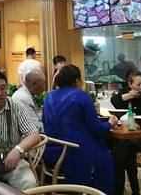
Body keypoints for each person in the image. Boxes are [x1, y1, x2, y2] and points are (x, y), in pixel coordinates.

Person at [44, 65, 118, 195]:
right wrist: (110, 123)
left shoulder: (48, 96)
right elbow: (96, 128)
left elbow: (46, 123)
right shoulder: (80, 96)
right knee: (105, 157)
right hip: (74, 152)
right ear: (77, 80)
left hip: (51, 152)